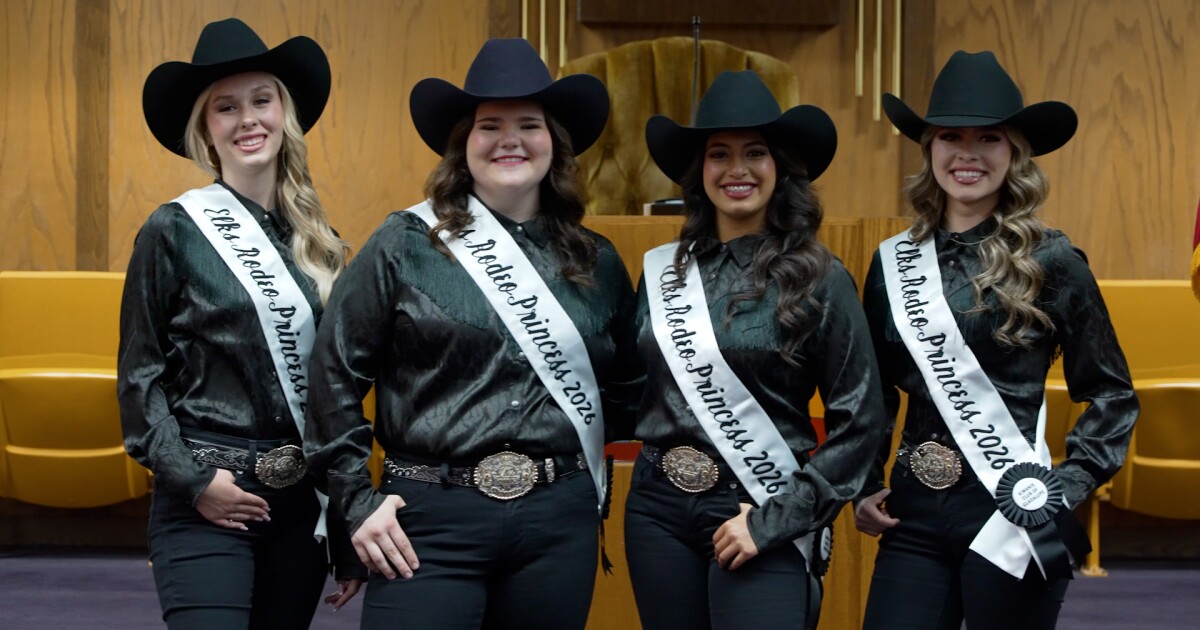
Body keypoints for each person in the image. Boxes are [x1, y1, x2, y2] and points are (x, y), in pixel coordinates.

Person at [303, 38, 641, 630]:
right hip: (426, 517)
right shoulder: (403, 245)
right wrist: (356, 503)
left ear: (553, 144)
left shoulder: (597, 261)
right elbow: (331, 377)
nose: (509, 139)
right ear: (464, 145)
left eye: (528, 124)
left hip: (556, 524)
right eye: (490, 125)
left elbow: (630, 388)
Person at [854, 50, 1139, 630]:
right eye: (950, 136)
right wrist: (866, 482)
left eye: (988, 138)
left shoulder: (1052, 260)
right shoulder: (892, 264)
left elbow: (1112, 395)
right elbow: (873, 392)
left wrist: (1068, 482)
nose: (967, 154)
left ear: (1014, 153)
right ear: (928, 148)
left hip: (1012, 511)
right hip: (912, 516)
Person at [118, 18, 361, 628]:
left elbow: (337, 395)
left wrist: (347, 513)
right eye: (226, 107)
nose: (247, 119)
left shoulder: (323, 245)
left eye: (262, 100)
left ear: (285, 114)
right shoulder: (172, 230)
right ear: (206, 128)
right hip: (206, 493)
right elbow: (139, 379)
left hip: (301, 501)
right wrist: (194, 480)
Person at [627, 70, 887, 630]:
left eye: (755, 153)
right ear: (700, 171)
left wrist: (776, 520)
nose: (736, 170)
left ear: (781, 169)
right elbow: (631, 390)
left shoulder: (821, 278)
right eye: (719, 154)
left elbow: (860, 422)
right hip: (656, 511)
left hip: (761, 503)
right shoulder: (661, 272)